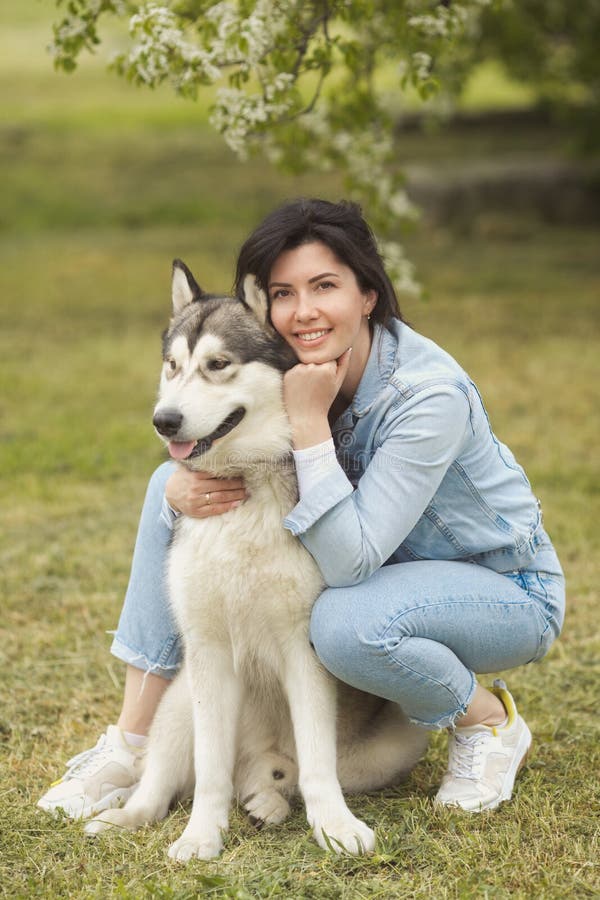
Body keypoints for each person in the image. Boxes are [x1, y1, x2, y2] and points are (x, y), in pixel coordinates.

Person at [38, 198, 565, 819]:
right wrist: (179, 483)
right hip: (395, 578)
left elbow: (348, 563)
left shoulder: (427, 397)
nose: (304, 311)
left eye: (325, 286)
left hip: (501, 590)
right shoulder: (298, 365)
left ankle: (487, 721)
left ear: (368, 294)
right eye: (284, 293)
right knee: (166, 489)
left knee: (343, 624)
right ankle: (132, 741)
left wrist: (312, 422)